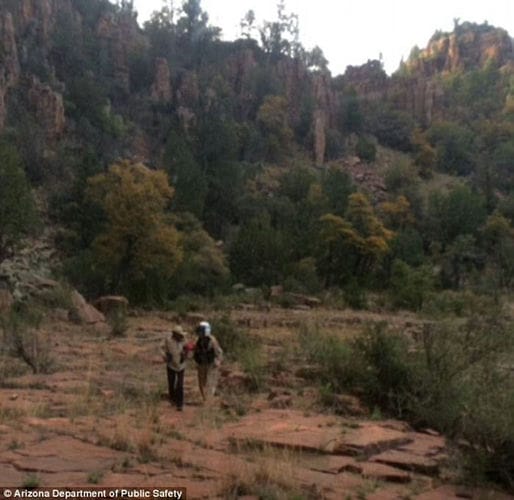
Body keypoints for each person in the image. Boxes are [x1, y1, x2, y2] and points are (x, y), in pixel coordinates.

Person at [162, 325, 190, 411]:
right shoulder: (168, 340)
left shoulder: (184, 340)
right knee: (171, 383)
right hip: (171, 365)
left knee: (180, 385)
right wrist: (165, 356)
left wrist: (186, 354)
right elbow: (162, 349)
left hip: (181, 365)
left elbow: (188, 350)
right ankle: (172, 399)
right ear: (174, 334)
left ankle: (180, 404)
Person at [193, 321, 223, 402]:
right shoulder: (198, 340)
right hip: (201, 363)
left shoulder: (212, 340)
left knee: (210, 382)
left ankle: (208, 399)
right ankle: (204, 398)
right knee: (201, 382)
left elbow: (219, 352)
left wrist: (218, 361)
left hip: (211, 363)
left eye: (201, 330)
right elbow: (195, 351)